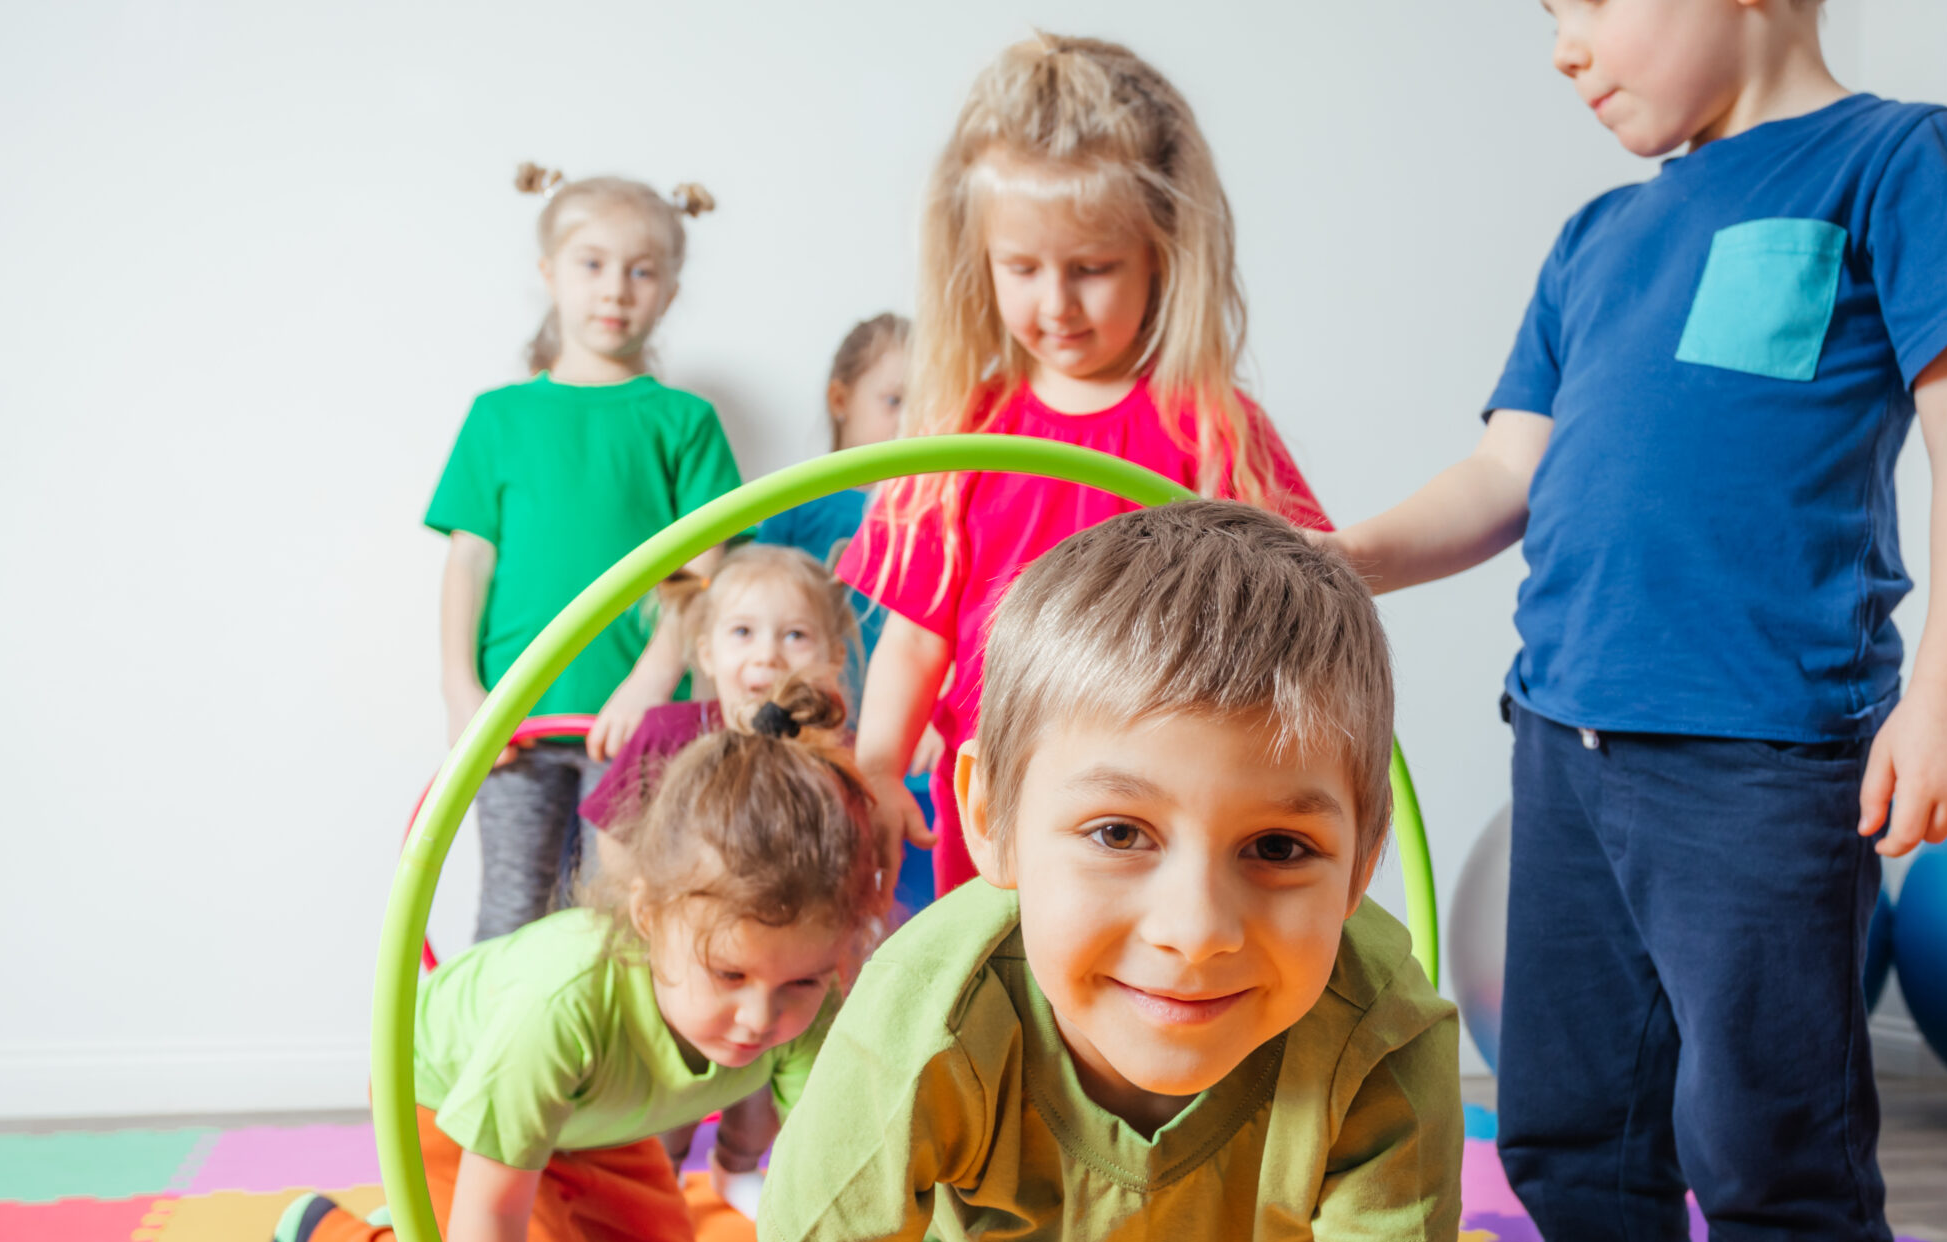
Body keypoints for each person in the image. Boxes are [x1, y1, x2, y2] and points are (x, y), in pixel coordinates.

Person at [1323, 2, 1947, 1242]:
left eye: (1596, 4)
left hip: (1769, 750)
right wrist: (1346, 551)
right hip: (1563, 730)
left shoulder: (1894, 159)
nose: (1568, 50)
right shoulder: (1597, 236)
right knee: (1571, 1102)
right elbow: (1511, 470)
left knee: (1771, 1121)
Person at [563, 502, 1468, 1242]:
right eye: (1116, 831)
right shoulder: (928, 1021)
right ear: (984, 816)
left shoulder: (1381, 1047)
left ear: (1359, 862)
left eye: (1280, 849)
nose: (1195, 934)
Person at [216, 680, 876, 1242]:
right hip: (448, 1099)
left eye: (799, 984)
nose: (758, 1018)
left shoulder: (808, 996)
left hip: (585, 1122)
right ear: (649, 918)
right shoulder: (563, 1003)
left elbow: (829, 1186)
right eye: (729, 972)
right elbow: (495, 1209)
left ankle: (515, 1207)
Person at [841, 31, 1330, 903]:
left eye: (1093, 269)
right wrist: (877, 765)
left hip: (1162, 829)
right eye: (1021, 268)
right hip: (1000, 822)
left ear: (1162, 253)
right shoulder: (961, 433)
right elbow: (917, 638)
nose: (1055, 304)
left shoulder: (1212, 432)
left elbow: (1301, 619)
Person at [430, 163, 743, 942]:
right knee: (510, 915)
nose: (615, 290)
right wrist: (464, 695)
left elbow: (701, 575)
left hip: (637, 722)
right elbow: (467, 563)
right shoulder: (497, 418)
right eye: (593, 265)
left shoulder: (684, 421)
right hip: (515, 722)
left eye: (642, 272)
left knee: (622, 919)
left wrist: (647, 682)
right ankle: (496, 1064)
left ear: (668, 291)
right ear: (550, 274)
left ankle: (607, 1067)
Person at [577, 551, 860, 1214]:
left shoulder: (825, 756)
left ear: (830, 655)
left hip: (781, 964)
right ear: (703, 649)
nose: (768, 653)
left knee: (764, 1077)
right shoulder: (669, 734)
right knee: (677, 1079)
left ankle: (737, 1165)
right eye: (743, 632)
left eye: (795, 634)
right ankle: (663, 1176)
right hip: (697, 957)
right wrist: (657, 918)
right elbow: (614, 836)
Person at [747, 313, 912, 691]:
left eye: (926, 406)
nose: (912, 421)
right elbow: (754, 603)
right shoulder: (798, 499)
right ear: (841, 399)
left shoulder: (933, 514)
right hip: (803, 709)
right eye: (894, 401)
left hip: (901, 724)